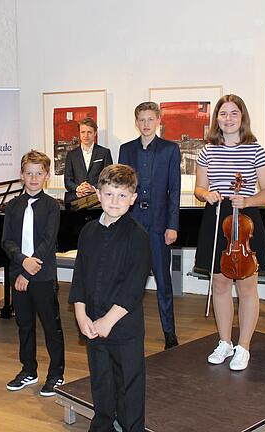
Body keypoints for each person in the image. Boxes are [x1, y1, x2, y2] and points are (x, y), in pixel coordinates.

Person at [193, 94, 265, 371]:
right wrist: (208, 194)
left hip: (245, 218)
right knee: (220, 283)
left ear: (242, 117)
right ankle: (225, 342)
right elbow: (199, 188)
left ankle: (244, 346)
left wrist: (248, 201)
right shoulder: (207, 151)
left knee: (247, 285)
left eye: (233, 113)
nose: (228, 119)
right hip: (217, 217)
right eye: (223, 113)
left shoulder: (256, 150)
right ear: (216, 118)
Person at [69, 164, 151, 432]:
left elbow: (133, 286)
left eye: (123, 195)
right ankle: (103, 423)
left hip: (123, 326)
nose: (115, 202)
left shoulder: (137, 236)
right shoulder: (88, 232)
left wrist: (108, 321)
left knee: (129, 384)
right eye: (109, 194)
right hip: (92, 322)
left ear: (133, 198)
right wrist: (81, 315)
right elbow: (79, 276)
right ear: (98, 194)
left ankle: (131, 427)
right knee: (101, 381)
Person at [1, 150, 65, 397]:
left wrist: (28, 271)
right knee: (24, 325)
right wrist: (21, 262)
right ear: (21, 175)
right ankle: (29, 370)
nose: (34, 178)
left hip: (42, 275)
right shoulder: (13, 205)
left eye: (39, 173)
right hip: (19, 272)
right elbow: (6, 240)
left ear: (47, 176)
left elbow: (48, 242)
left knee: (51, 326)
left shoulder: (51, 206)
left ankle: (56, 374)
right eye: (29, 173)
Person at [118, 101, 181, 349]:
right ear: (136, 122)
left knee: (163, 281)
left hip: (158, 224)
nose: (146, 124)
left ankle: (169, 333)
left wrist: (172, 225)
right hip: (132, 223)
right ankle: (127, 328)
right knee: (129, 279)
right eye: (141, 120)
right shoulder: (126, 150)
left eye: (150, 119)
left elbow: (174, 190)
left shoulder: (170, 150)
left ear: (158, 121)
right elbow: (121, 188)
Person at [63, 117, 113, 203]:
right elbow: (67, 180)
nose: (86, 136)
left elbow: (109, 178)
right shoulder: (71, 155)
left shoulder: (104, 153)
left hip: (99, 201)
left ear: (95, 133)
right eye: (83, 132)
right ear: (79, 133)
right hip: (77, 203)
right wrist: (78, 188)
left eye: (89, 132)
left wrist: (93, 188)